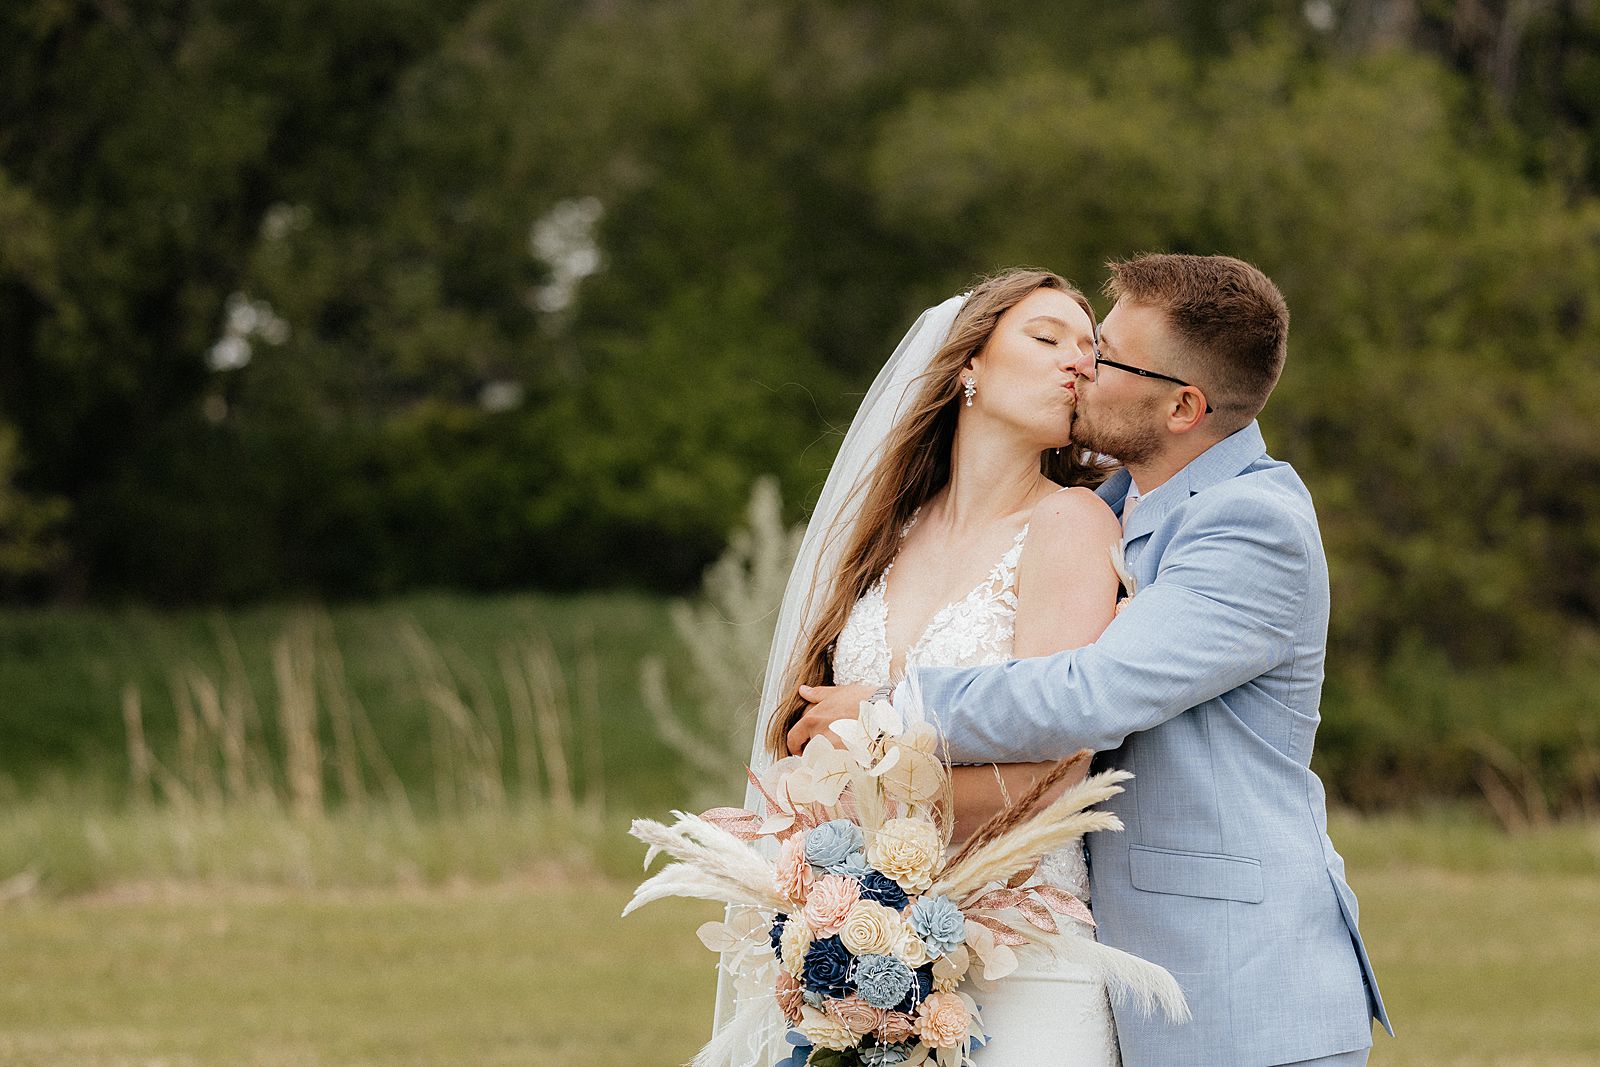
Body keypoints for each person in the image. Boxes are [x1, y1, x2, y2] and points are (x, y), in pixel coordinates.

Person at [790, 254, 1395, 1066]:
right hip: (1084, 969)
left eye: (1106, 354)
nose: (1084, 365)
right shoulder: (1112, 502)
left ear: (1184, 405)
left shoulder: (1254, 523)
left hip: (1242, 997)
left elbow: (1092, 694)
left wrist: (888, 711)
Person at [719, 268, 1149, 1065]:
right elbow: (805, 726)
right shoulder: (892, 530)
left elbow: (1056, 764)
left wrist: (861, 804)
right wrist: (839, 900)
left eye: (1091, 352)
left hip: (1021, 952)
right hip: (860, 940)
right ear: (968, 367)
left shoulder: (1071, 523)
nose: (1077, 363)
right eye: (1047, 337)